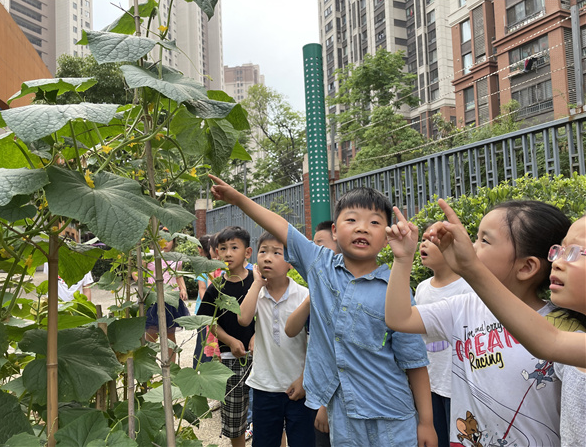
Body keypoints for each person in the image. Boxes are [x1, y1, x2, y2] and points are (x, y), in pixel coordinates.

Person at [208, 174, 437, 447]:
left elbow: (414, 360)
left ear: (387, 236)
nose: (362, 228)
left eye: (375, 222)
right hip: (344, 418)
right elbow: (282, 227)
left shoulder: (396, 288)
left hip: (392, 417)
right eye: (351, 220)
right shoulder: (320, 266)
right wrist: (238, 199)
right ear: (335, 232)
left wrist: (426, 422)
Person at [385, 201, 571, 446]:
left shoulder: (564, 329)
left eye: (484, 241)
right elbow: (399, 317)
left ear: (527, 267)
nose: (471, 247)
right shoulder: (464, 307)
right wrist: (402, 259)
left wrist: (469, 267)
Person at [238, 231, 315, 446]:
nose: (267, 257)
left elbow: (313, 342)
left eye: (277, 253)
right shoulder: (257, 294)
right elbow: (243, 319)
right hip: (264, 386)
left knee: (303, 441)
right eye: (263, 251)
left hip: (298, 386)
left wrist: (304, 379)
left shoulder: (303, 295)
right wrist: (256, 284)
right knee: (264, 442)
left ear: (291, 262)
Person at [414, 223, 473, 447]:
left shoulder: (467, 288)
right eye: (424, 240)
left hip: (456, 384)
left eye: (432, 240)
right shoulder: (422, 288)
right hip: (428, 381)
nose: (424, 244)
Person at [198, 226, 255, 447]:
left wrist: (257, 336)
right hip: (230, 358)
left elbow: (270, 314)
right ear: (216, 253)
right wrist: (230, 341)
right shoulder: (216, 288)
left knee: (269, 412)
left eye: (234, 247)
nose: (228, 253)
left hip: (262, 356)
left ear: (247, 252)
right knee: (234, 415)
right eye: (223, 248)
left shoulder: (257, 282)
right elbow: (209, 321)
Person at [285, 220, 339, 447]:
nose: (314, 251)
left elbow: (338, 355)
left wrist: (326, 405)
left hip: (334, 400)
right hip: (318, 394)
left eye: (320, 245)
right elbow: (292, 330)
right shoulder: (315, 294)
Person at [132, 228, 189, 363]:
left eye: (169, 240)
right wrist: (145, 285)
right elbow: (136, 273)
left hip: (172, 299)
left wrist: (183, 289)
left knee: (170, 335)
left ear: (174, 242)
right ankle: (149, 369)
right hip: (153, 299)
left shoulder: (177, 258)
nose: (166, 243)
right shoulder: (149, 255)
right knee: (150, 336)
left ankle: (171, 367)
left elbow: (178, 275)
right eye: (162, 239)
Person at [193, 234, 214, 368]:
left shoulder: (203, 265)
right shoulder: (212, 265)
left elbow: (202, 289)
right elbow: (203, 289)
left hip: (204, 310)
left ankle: (199, 368)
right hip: (208, 310)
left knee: (203, 341)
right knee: (205, 341)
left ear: (200, 249)